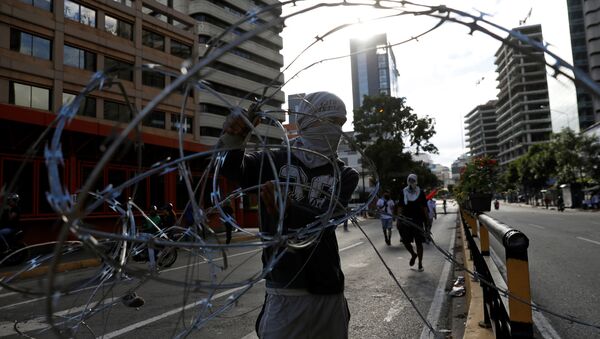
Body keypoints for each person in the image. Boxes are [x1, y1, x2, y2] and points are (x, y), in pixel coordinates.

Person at [221, 91, 359, 338]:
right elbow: (232, 170)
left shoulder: (345, 175)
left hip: (328, 289)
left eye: (339, 123)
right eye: (327, 121)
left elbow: (324, 222)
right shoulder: (273, 160)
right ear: (305, 121)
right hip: (284, 287)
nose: (334, 130)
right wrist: (235, 137)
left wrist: (287, 208)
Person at [397, 174, 429, 272]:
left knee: (419, 243)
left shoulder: (421, 192)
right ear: (407, 181)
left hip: (418, 220)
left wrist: (427, 220)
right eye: (410, 180)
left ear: (416, 181)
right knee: (405, 241)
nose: (411, 182)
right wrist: (399, 219)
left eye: (413, 180)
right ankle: (413, 254)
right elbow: (400, 206)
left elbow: (424, 207)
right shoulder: (403, 192)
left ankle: (420, 263)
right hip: (406, 221)